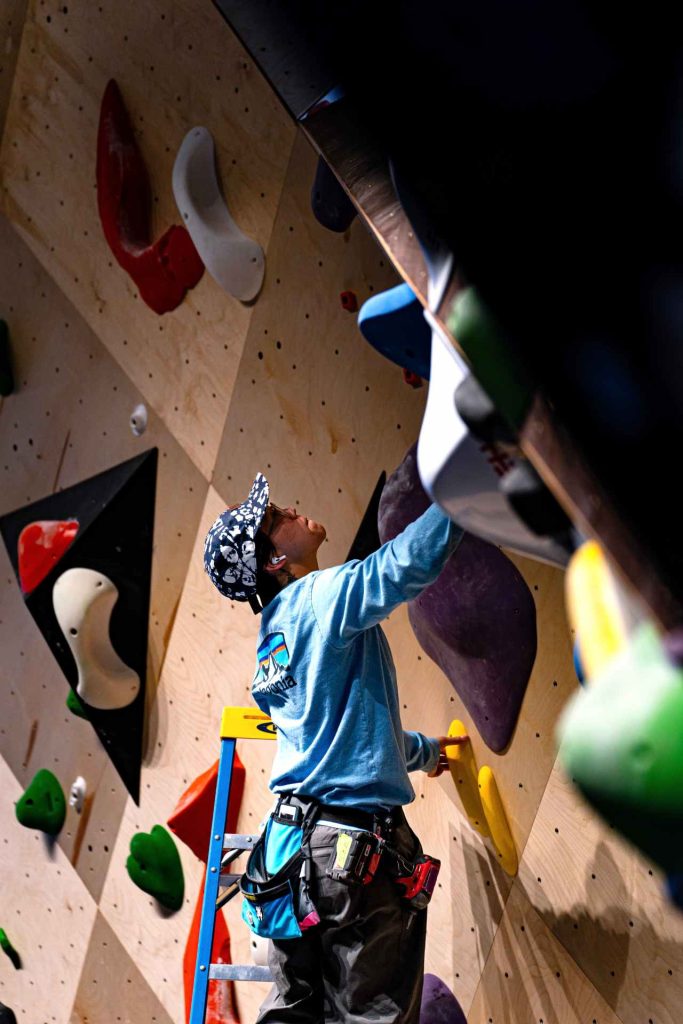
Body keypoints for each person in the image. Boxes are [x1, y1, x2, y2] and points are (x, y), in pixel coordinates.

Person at [204, 472, 468, 1024]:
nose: (290, 510)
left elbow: (337, 739)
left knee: (294, 1015)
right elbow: (400, 566)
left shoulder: (271, 644)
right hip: (348, 854)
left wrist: (423, 752)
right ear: (275, 560)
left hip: (289, 858)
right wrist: (465, 490)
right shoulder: (320, 598)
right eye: (275, 518)